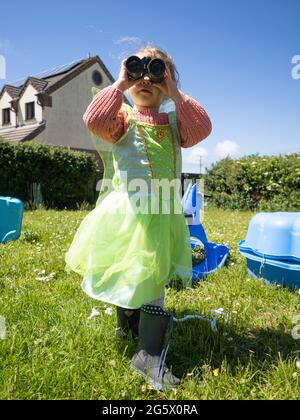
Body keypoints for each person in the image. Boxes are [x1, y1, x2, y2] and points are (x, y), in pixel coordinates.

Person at [65, 45, 212, 391]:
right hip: (127, 212)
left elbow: (203, 127)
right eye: (137, 71)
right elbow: (94, 120)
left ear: (167, 80)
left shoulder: (177, 123)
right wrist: (119, 84)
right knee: (127, 272)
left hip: (161, 215)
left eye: (155, 71)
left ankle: (147, 354)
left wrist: (173, 92)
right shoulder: (122, 119)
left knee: (155, 278)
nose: (145, 78)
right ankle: (126, 325)